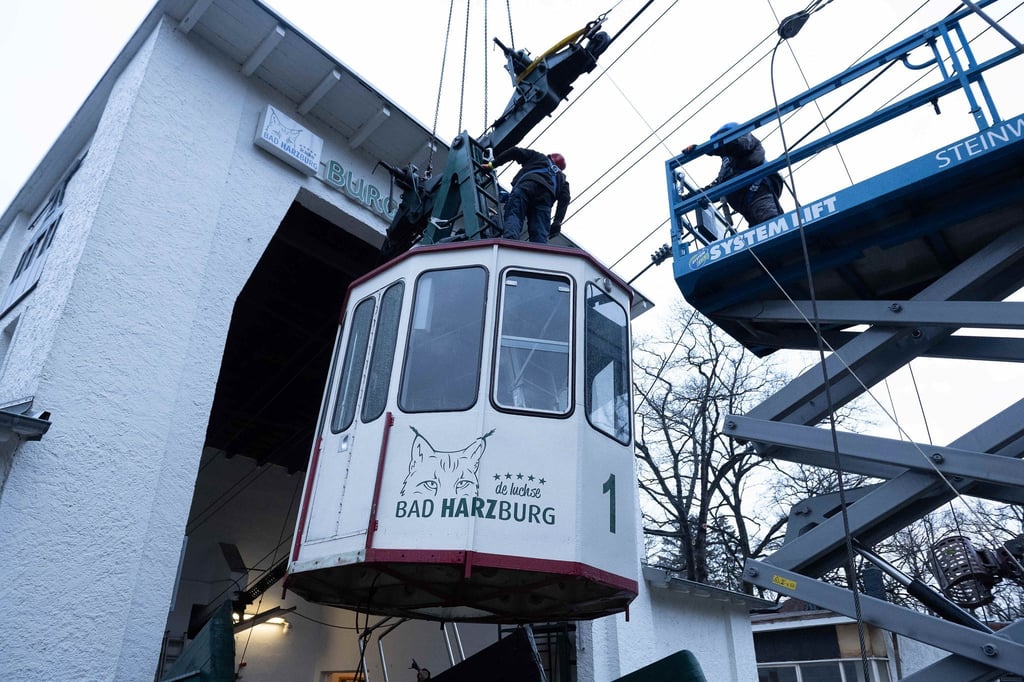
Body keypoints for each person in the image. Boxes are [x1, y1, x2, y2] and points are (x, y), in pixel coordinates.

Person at [683, 122, 783, 226]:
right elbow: (715, 188)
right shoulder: (728, 167)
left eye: (721, 139)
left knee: (772, 225)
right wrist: (686, 199)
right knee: (761, 231)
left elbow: (738, 145)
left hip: (759, 193)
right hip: (748, 207)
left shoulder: (746, 140)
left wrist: (705, 149)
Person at [487, 147, 570, 243]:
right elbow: (565, 199)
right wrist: (557, 221)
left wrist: (492, 165)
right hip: (545, 200)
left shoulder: (539, 157)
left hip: (526, 188)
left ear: (550, 157)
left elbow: (515, 151)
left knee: (515, 213)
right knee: (540, 230)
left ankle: (510, 242)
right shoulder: (562, 180)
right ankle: (539, 251)